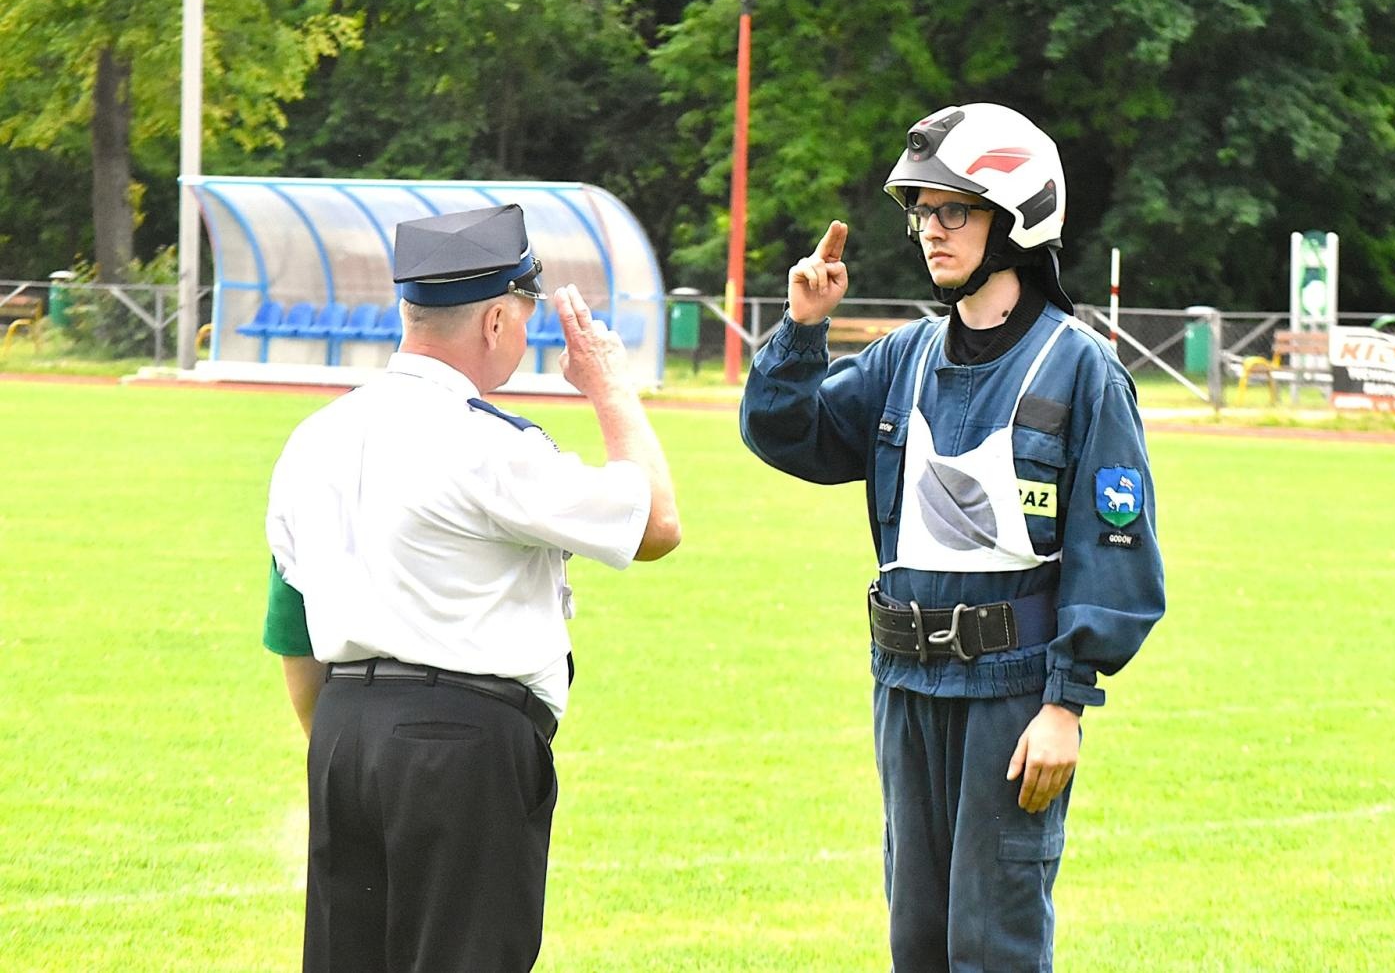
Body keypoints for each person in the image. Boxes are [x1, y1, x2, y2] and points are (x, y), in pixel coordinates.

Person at [740, 102, 1165, 970]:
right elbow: (787, 433)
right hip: (904, 684)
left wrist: (1065, 704)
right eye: (922, 212)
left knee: (992, 939)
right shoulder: (903, 358)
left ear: (1015, 219)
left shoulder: (1080, 369)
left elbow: (1113, 552)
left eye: (953, 211)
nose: (930, 231)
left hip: (1014, 697)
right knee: (917, 941)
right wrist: (803, 329)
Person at [262, 203, 680, 973]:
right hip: (457, 745)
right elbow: (656, 524)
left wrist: (351, 743)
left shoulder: (311, 439)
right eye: (523, 314)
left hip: (342, 732)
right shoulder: (490, 444)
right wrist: (610, 388)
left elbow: (290, 623)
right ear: (495, 321)